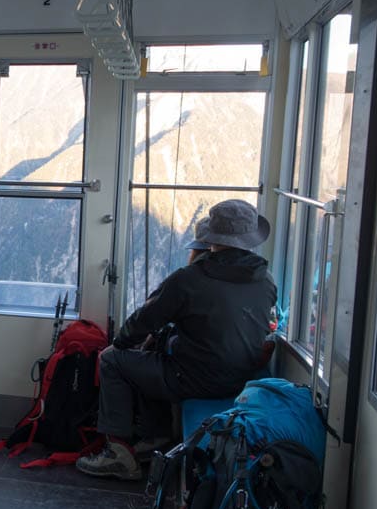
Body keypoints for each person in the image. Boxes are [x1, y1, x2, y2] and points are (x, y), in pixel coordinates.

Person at [77, 200, 277, 480]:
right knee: (161, 348)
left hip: (197, 379)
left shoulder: (190, 279)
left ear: (211, 240)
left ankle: (119, 454)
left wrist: (120, 343)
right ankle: (155, 438)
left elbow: (143, 321)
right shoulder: (266, 280)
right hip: (242, 378)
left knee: (113, 360)